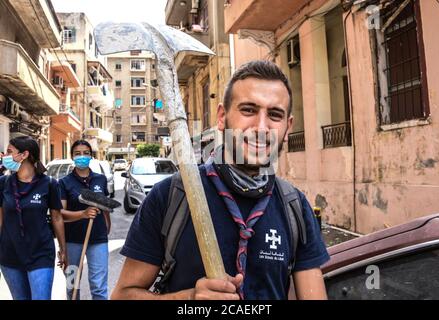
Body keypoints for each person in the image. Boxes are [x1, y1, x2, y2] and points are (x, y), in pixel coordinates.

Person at [112, 60, 330, 300]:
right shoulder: (172, 196)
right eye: (248, 110)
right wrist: (189, 299)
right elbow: (123, 296)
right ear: (222, 116)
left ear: (287, 128)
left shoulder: (295, 207)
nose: (260, 127)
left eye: (275, 115)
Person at [0, 136, 66, 300]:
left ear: (24, 155)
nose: (4, 156)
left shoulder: (49, 184)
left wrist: (63, 249)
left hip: (41, 253)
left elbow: (57, 218)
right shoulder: (3, 183)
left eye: (9, 152)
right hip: (10, 254)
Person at [59, 140, 111, 300]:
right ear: (72, 157)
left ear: (91, 156)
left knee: (99, 287)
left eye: (86, 153)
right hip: (72, 241)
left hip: (98, 240)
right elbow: (60, 213)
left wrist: (106, 227)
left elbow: (106, 207)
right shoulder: (64, 182)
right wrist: (83, 214)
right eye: (77, 153)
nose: (82, 156)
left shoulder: (100, 179)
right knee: (72, 286)